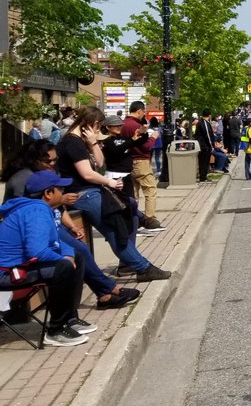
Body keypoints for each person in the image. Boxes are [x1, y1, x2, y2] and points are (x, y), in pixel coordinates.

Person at [2, 141, 140, 310]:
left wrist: (72, 226)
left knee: (79, 249)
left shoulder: (46, 174)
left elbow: (56, 207)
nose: (53, 164)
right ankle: (104, 292)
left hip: (47, 221)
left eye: (55, 160)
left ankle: (103, 294)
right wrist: (63, 260)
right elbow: (33, 216)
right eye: (48, 161)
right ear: (35, 160)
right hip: (30, 229)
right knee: (76, 253)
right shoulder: (24, 180)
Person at [56, 107, 171, 283]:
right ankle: (142, 267)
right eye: (98, 126)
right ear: (93, 124)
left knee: (129, 208)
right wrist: (108, 181)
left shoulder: (82, 141)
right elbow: (87, 173)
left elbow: (100, 162)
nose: (98, 130)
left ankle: (135, 252)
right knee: (115, 229)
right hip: (83, 193)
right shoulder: (72, 143)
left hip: (90, 191)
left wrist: (93, 143)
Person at [0, 170, 90, 346]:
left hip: (20, 267)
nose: (63, 193)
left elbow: (56, 241)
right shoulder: (36, 211)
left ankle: (69, 319)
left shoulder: (41, 208)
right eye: (60, 190)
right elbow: (37, 251)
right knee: (62, 268)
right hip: (8, 273)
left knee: (76, 257)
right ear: (48, 193)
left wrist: (68, 254)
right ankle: (55, 330)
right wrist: (64, 260)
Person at [124, 102, 162, 230]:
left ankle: (134, 220)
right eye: (143, 112)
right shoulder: (137, 126)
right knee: (150, 190)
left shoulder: (123, 124)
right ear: (139, 111)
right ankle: (149, 220)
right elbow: (146, 146)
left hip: (128, 161)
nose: (143, 115)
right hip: (141, 161)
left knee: (133, 194)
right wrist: (153, 138)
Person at [195, 109, 216, 182]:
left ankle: (203, 176)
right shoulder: (204, 123)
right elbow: (208, 135)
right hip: (205, 146)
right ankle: (203, 177)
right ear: (209, 115)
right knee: (204, 162)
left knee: (204, 162)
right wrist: (212, 145)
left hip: (202, 145)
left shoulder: (200, 122)